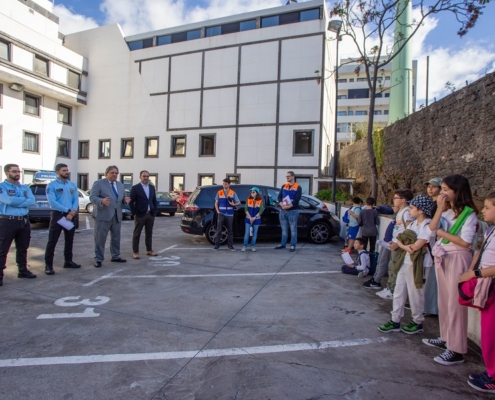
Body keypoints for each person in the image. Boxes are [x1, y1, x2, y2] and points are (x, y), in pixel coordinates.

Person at [423, 175, 478, 366]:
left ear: (457, 191)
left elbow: (465, 242)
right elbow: (430, 230)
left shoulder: (468, 214)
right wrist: (439, 209)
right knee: (444, 302)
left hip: (457, 258)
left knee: (455, 305)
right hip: (443, 257)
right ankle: (446, 338)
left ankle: (456, 349)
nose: (442, 193)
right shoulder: (445, 212)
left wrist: (441, 233)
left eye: (446, 189)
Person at [378, 195, 435, 334]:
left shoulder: (428, 225)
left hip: (419, 264)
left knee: (416, 293)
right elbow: (401, 239)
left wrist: (402, 245)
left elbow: (414, 246)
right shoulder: (414, 223)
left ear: (421, 210)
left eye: (413, 208)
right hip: (407, 260)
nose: (410, 210)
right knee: (399, 290)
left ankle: (417, 321)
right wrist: (404, 245)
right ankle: (395, 319)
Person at [459, 191, 495, 393]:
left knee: (492, 333)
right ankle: (491, 372)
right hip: (486, 284)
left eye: (488, 207)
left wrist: (476, 272)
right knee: (488, 333)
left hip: (490, 282)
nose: (483, 210)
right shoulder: (491, 231)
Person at [0, 164, 37, 285]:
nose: (18, 174)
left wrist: (16, 202)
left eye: (19, 171)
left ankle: (22, 270)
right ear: (7, 173)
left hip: (24, 221)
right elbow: (8, 200)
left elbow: (32, 201)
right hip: (7, 221)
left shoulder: (25, 188)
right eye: (14, 171)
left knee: (23, 247)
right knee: (2, 248)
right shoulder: (2, 187)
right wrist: (23, 201)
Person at [376, 189, 414, 300]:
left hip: (399, 245)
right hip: (395, 242)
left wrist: (398, 244)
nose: (393, 200)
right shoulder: (400, 212)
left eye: (396, 198)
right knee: (392, 267)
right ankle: (390, 288)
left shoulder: (407, 213)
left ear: (403, 200)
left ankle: (393, 291)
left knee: (395, 268)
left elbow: (409, 231)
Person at [89, 165, 130, 267]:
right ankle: (98, 258)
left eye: (116, 173)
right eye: (112, 173)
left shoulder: (120, 185)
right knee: (100, 238)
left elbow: (119, 200)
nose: (114, 175)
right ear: (106, 173)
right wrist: (101, 201)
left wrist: (125, 201)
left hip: (116, 216)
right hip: (103, 215)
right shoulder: (99, 183)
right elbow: (92, 197)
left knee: (116, 238)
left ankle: (115, 256)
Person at [44, 163, 81, 275]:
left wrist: (72, 211)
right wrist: (67, 211)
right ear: (57, 172)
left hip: (70, 216)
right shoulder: (52, 186)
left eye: (67, 170)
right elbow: (53, 203)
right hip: (58, 216)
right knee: (52, 241)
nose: (66, 172)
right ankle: (48, 265)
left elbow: (75, 199)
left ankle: (68, 261)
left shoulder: (72, 185)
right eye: (64, 170)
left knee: (69, 240)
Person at [363, 206, 397, 290]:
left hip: (392, 243)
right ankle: (375, 278)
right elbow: (386, 209)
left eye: (396, 199)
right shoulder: (397, 215)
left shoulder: (404, 215)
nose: (393, 206)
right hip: (387, 241)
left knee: (383, 262)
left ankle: (377, 281)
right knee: (380, 260)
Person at [129, 171, 159, 259]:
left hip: (150, 214)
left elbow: (154, 200)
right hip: (140, 214)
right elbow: (131, 202)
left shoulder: (151, 187)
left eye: (147, 176)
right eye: (144, 176)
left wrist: (155, 211)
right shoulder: (135, 188)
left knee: (149, 233)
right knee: (137, 234)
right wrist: (134, 212)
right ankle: (135, 252)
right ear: (140, 177)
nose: (146, 178)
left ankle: (149, 250)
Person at [424, 177, 442, 316]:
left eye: (434, 186)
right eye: (429, 186)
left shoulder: (440, 206)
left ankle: (432, 308)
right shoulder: (433, 204)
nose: (430, 189)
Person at [275, 171, 302, 252]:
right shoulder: (284, 186)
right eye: (286, 176)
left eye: (289, 176)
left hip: (293, 211)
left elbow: (296, 200)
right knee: (284, 229)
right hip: (283, 211)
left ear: (293, 176)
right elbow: (279, 197)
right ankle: (283, 244)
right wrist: (281, 204)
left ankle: (293, 245)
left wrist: (287, 207)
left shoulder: (298, 187)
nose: (287, 178)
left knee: (293, 229)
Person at [213, 178, 240, 251]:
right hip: (221, 213)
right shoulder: (219, 192)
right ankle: (217, 245)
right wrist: (218, 211)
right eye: (223, 183)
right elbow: (216, 202)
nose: (224, 185)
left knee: (230, 230)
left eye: (226, 184)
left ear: (229, 184)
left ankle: (230, 246)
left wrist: (234, 204)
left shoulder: (232, 192)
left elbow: (239, 202)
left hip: (230, 214)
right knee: (219, 230)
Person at [242, 187, 264, 252]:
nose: (252, 193)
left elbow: (261, 211)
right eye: (251, 192)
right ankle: (244, 246)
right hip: (248, 219)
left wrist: (254, 217)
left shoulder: (260, 201)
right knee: (247, 233)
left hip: (256, 219)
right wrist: (250, 217)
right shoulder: (248, 200)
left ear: (257, 193)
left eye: (253, 192)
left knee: (255, 234)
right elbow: (245, 209)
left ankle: (253, 246)